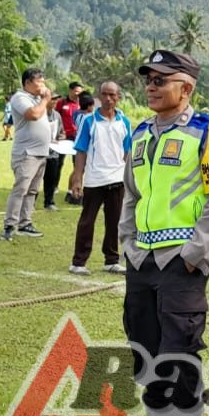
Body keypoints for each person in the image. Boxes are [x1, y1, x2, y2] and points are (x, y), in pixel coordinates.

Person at [111, 50, 209, 416]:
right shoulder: (140, 133)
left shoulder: (208, 132)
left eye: (162, 79)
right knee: (143, 344)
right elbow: (130, 195)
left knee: (179, 351)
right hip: (141, 257)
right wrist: (127, 243)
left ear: (187, 87)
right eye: (148, 78)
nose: (151, 85)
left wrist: (193, 254)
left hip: (182, 261)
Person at [67, 81, 131, 276]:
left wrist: (129, 177)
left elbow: (127, 151)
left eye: (112, 95)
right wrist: (77, 178)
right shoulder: (89, 121)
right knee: (87, 221)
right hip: (95, 179)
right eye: (104, 94)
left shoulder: (124, 121)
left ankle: (111, 260)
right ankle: (78, 262)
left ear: (118, 97)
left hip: (117, 178)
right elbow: (81, 151)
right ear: (99, 96)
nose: (108, 98)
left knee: (114, 221)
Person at [1, 68, 54, 241]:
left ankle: (25, 223)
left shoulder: (37, 98)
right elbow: (33, 115)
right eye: (39, 81)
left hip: (40, 153)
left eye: (43, 81)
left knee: (32, 190)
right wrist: (45, 99)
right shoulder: (20, 98)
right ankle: (9, 225)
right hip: (26, 153)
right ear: (28, 83)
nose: (42, 85)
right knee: (21, 189)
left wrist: (45, 99)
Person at [52, 82, 83, 207]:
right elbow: (55, 117)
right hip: (63, 136)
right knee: (58, 163)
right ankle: (54, 186)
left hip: (76, 137)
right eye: (76, 91)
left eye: (80, 92)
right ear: (70, 91)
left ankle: (73, 189)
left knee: (77, 164)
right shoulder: (62, 103)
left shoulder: (81, 104)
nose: (78, 94)